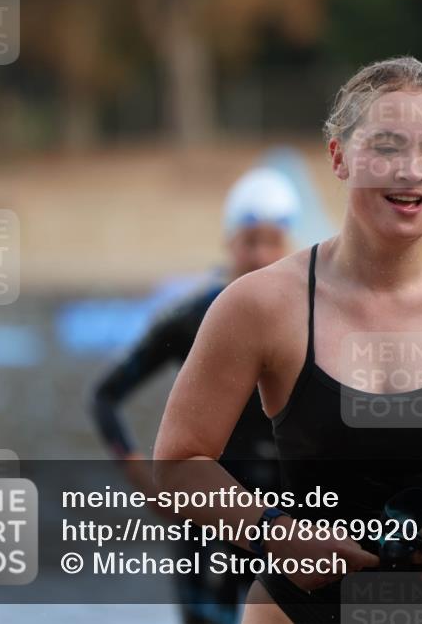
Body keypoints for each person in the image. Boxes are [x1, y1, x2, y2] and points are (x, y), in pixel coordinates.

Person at [155, 56, 422, 624]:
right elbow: (178, 462)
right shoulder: (259, 304)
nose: (412, 172)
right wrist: (272, 534)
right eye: (387, 147)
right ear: (339, 157)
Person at [90, 166, 301, 624]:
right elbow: (105, 397)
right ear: (230, 243)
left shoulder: (313, 322)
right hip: (207, 521)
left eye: (272, 241)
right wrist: (145, 482)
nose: (260, 255)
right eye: (250, 241)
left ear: (290, 244)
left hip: (285, 522)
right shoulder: (193, 318)